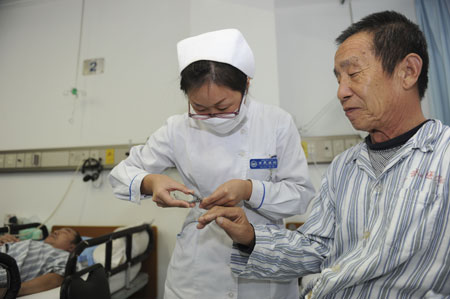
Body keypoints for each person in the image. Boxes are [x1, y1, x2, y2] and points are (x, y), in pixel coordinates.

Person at [198, 11, 450, 298]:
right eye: (338, 78)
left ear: (408, 72)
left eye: (353, 73)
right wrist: (250, 236)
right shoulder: (344, 167)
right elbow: (316, 249)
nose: (341, 91)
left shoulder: (444, 157)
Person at [109, 28, 315, 299]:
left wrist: (249, 190)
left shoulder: (276, 123)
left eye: (222, 107)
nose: (213, 116)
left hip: (263, 262)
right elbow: (121, 175)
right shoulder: (177, 128)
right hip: (197, 267)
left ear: (247, 86)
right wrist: (151, 181)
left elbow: (300, 195)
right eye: (201, 109)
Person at [0, 228, 81, 296]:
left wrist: (10, 290)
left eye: (66, 232)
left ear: (72, 247)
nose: (55, 231)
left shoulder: (65, 256)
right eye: (58, 230)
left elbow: (59, 277)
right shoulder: (34, 243)